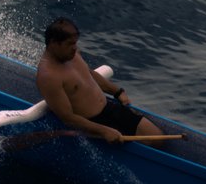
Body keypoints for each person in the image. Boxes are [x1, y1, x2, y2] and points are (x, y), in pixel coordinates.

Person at [35, 17, 165, 144]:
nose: (75, 47)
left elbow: (88, 74)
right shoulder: (48, 76)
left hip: (109, 108)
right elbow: (67, 118)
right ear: (53, 43)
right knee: (153, 142)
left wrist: (117, 91)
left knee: (158, 137)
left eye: (75, 42)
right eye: (70, 44)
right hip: (94, 123)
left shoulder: (70, 54)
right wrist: (104, 131)